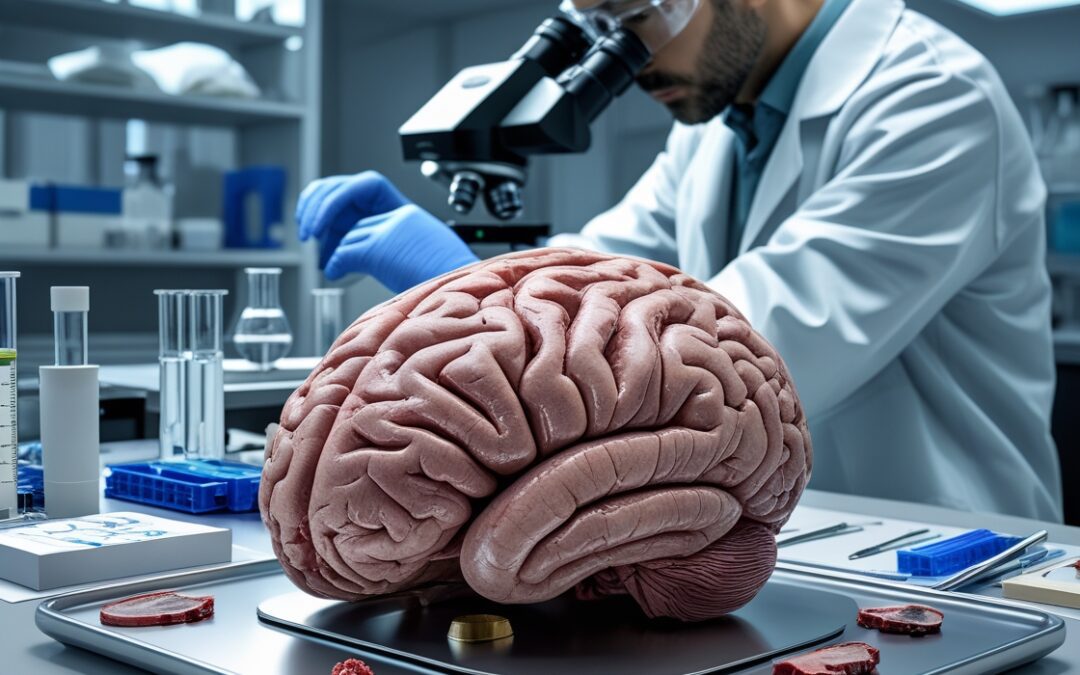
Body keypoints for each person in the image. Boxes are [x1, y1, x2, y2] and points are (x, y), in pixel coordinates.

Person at [295, 0, 1062, 521]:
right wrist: (474, 285)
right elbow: (601, 278)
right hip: (790, 537)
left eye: (636, 18)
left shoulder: (932, 98)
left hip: (940, 538)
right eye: (597, 26)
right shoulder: (710, 128)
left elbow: (749, 354)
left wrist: (463, 289)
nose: (626, 60)